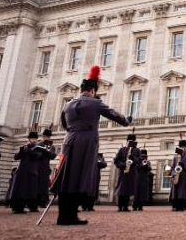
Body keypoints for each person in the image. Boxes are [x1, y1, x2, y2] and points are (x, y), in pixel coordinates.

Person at [52, 65, 131, 225]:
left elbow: (64, 125)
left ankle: (63, 215)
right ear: (93, 91)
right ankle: (72, 215)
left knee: (67, 178)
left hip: (69, 140)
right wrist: (126, 121)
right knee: (80, 177)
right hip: (86, 142)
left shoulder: (68, 104)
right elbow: (113, 114)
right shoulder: (95, 103)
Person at [9, 130, 42, 213]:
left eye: (35, 138)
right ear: (29, 139)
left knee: (31, 191)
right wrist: (21, 151)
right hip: (22, 171)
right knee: (20, 190)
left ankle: (32, 206)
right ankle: (18, 207)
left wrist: (30, 150)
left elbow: (38, 156)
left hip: (32, 171)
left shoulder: (38, 148)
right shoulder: (24, 147)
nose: (33, 140)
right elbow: (16, 157)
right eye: (32, 138)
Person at [114, 134, 141, 212]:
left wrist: (133, 158)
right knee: (121, 189)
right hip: (123, 171)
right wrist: (122, 165)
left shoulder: (137, 150)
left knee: (129, 189)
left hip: (132, 172)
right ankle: (120, 206)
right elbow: (116, 160)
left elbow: (139, 161)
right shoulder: (122, 149)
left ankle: (125, 206)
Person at [169, 140, 186, 211]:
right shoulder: (176, 156)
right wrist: (173, 173)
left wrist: (184, 165)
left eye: (183, 147)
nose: (182, 148)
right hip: (176, 175)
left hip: (184, 176)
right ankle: (175, 206)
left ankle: (181, 206)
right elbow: (172, 166)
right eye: (181, 147)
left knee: (182, 192)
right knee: (176, 192)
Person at [38, 128, 57, 207]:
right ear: (43, 136)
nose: (47, 138)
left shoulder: (51, 146)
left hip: (45, 167)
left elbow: (53, 156)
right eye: (46, 136)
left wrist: (48, 150)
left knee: (44, 185)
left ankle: (43, 202)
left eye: (48, 137)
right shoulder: (38, 144)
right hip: (37, 166)